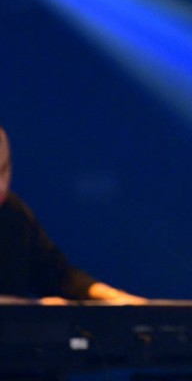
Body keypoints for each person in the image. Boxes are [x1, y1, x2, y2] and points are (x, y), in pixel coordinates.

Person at [0, 127, 145, 304]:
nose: (1, 186)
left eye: (4, 170)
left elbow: (56, 275)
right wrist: (31, 306)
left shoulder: (12, 211)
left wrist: (110, 296)